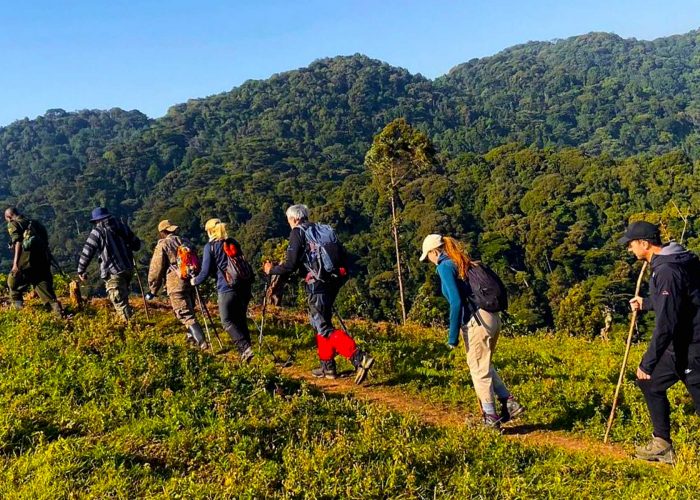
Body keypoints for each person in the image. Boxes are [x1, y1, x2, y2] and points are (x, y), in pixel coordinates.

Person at [263, 204, 374, 384]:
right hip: (334, 280)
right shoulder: (319, 229)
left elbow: (290, 265)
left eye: (289, 220)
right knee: (321, 322)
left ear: (294, 219)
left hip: (317, 283)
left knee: (322, 326)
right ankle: (327, 366)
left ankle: (358, 357)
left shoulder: (297, 233)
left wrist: (271, 270)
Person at [420, 233, 523, 428]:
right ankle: (508, 402)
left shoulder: (444, 266)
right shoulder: (462, 261)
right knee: (484, 364)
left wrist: (452, 337)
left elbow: (456, 302)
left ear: (435, 252)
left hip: (477, 322)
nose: (430, 262)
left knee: (478, 370)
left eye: (429, 257)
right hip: (492, 318)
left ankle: (490, 418)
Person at [622, 221, 700, 464]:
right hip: (683, 342)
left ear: (644, 243)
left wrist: (648, 362)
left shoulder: (666, 270)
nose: (630, 250)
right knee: (651, 383)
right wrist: (647, 303)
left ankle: (664, 445)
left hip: (691, 344)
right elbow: (677, 300)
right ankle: (662, 444)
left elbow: (667, 324)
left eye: (632, 244)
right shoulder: (676, 259)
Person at [191, 218, 254, 362]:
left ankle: (244, 348)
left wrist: (195, 281)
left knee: (226, 321)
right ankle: (246, 352)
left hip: (226, 287)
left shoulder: (211, 247)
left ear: (210, 231)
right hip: (243, 286)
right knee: (240, 320)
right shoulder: (232, 242)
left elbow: (205, 270)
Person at [146, 219, 208, 350]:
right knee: (189, 310)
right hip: (190, 281)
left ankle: (202, 343)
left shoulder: (163, 245)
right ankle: (191, 341)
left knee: (184, 314)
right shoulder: (186, 242)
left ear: (162, 232)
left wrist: (153, 290)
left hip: (175, 284)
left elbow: (156, 269)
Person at [77, 207, 141, 322]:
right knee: (123, 297)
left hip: (113, 271)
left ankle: (132, 329)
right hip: (128, 268)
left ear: (96, 221)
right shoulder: (121, 226)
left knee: (119, 301)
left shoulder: (97, 232)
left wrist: (81, 270)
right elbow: (136, 244)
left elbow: (87, 252)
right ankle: (131, 325)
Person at [4, 207, 62, 315]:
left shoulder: (14, 224)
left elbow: (18, 242)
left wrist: (15, 264)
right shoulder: (36, 223)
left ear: (9, 217)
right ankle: (58, 313)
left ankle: (19, 313)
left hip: (25, 263)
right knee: (45, 290)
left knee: (13, 285)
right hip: (42, 263)